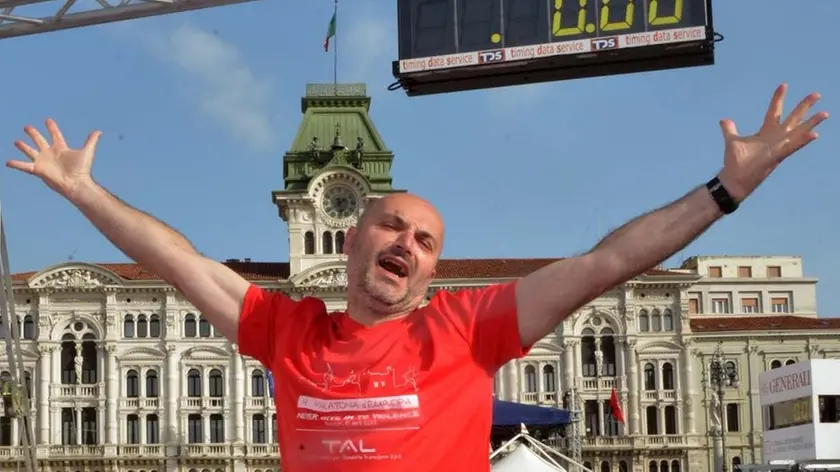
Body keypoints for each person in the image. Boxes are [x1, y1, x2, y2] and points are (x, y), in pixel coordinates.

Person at [6, 84, 827, 471]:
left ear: (434, 267)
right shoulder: (286, 329)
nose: (408, 243)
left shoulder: (467, 328)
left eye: (427, 240)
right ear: (353, 234)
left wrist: (727, 190)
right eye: (392, 224)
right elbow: (175, 262)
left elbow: (608, 262)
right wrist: (81, 190)